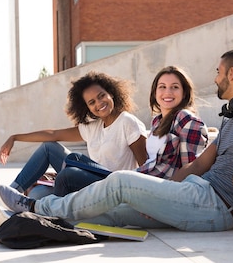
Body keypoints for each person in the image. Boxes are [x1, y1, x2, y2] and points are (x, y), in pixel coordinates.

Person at [0, 48, 233, 231]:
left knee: (121, 183)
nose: (214, 77)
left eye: (218, 71)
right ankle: (32, 219)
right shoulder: (232, 116)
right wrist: (159, 197)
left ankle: (35, 203)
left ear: (232, 74)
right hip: (193, 193)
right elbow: (201, 162)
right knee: (111, 215)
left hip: (217, 205)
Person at [0, 71, 148, 213]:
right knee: (41, 182)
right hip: (92, 181)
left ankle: (41, 212)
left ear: (112, 93)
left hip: (113, 187)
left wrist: (144, 204)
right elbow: (53, 134)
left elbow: (145, 166)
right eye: (92, 102)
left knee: (66, 175)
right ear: (86, 107)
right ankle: (7, 195)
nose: (99, 103)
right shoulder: (94, 127)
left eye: (102, 96)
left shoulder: (127, 122)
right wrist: (15, 137)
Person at [51, 65, 208, 196]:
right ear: (155, 92)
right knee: (74, 158)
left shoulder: (186, 119)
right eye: (162, 87)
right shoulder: (158, 121)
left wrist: (161, 196)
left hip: (153, 189)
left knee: (67, 176)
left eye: (174, 87)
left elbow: (191, 170)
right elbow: (150, 163)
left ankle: (53, 220)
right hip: (138, 179)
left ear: (184, 92)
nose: (167, 92)